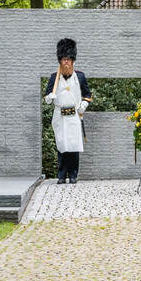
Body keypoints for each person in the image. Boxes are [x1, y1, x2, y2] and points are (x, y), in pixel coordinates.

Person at [43, 38, 92, 184]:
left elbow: (87, 94)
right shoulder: (54, 77)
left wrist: (84, 103)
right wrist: (49, 98)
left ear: (72, 61)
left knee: (73, 145)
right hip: (60, 115)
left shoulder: (80, 77)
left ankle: (73, 175)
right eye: (63, 59)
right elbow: (46, 95)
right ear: (60, 61)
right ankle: (61, 175)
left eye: (68, 59)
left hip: (74, 115)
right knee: (62, 144)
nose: (66, 62)